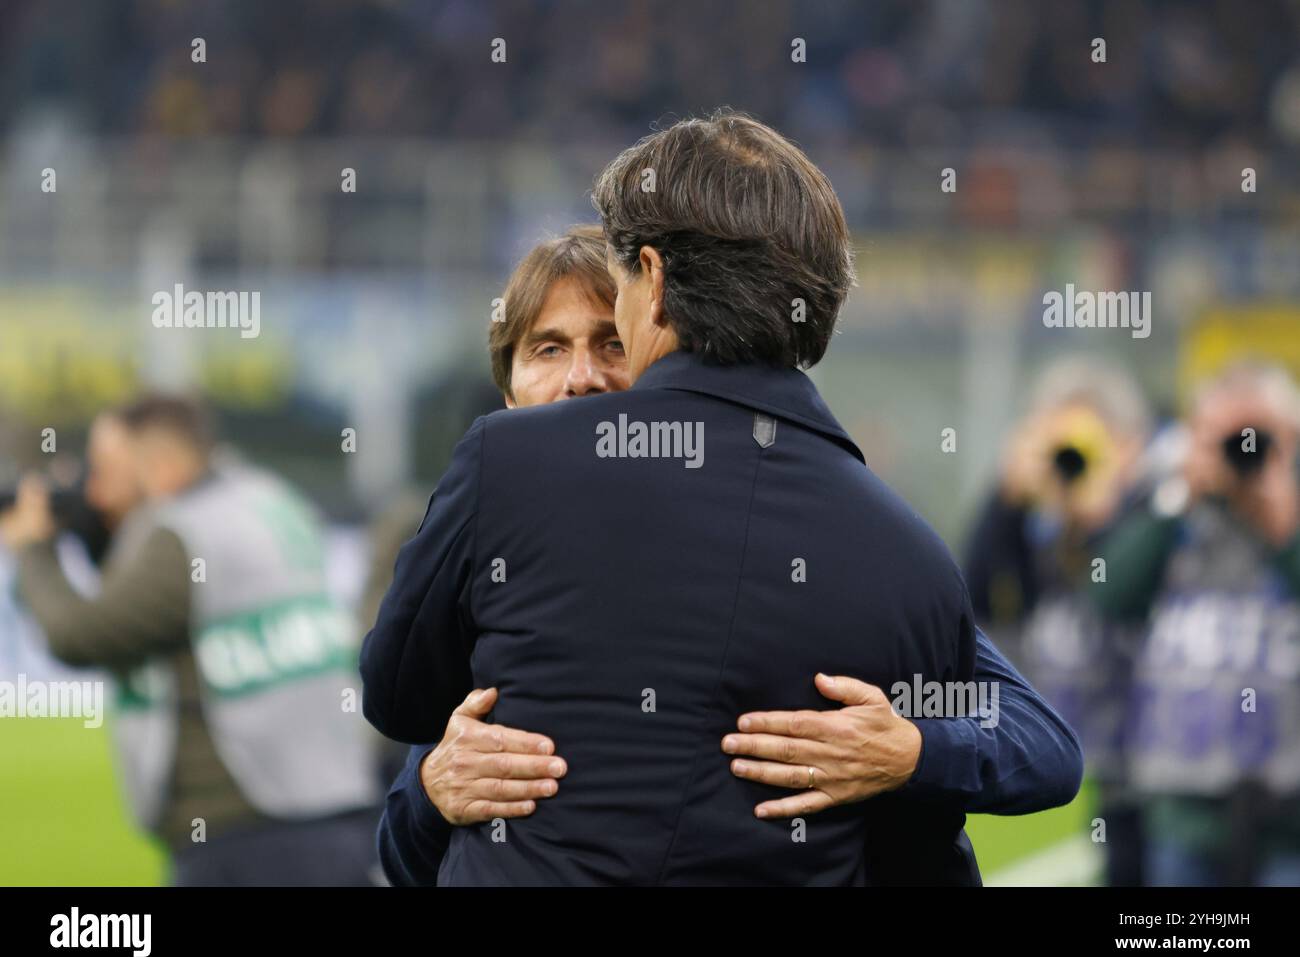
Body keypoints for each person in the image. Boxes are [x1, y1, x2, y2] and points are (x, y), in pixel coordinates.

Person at [361, 112, 1082, 884]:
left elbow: (396, 702)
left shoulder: (504, 467)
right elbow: (968, 811)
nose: (583, 379)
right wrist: (920, 754)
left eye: (611, 331)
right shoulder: (908, 554)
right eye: (547, 349)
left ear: (656, 283)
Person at [0, 395, 380, 884]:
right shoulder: (268, 498)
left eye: (106, 472)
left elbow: (78, 635)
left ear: (160, 468)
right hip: (341, 809)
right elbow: (163, 602)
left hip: (242, 831)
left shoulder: (179, 535)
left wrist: (35, 546)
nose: (94, 491)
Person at [1092, 360, 1300, 885]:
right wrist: (1182, 495)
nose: (1242, 453)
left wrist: (1284, 528)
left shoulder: (1290, 514)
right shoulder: (1172, 514)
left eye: (1255, 436)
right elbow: (1106, 596)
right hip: (1185, 805)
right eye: (1227, 438)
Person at [965, 357, 1151, 885]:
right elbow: (971, 602)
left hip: (1134, 776)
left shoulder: (1154, 517)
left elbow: (1113, 598)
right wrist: (1006, 499)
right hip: (1061, 757)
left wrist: (1108, 520)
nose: (1072, 467)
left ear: (1128, 447)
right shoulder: (1034, 529)